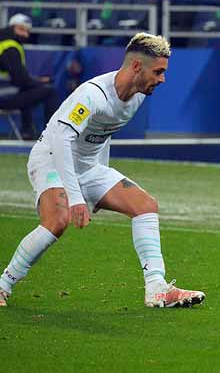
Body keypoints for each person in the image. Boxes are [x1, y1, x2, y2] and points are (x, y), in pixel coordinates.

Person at [0, 33, 205, 308]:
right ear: (136, 66)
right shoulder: (92, 95)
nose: (162, 79)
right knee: (58, 220)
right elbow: (61, 141)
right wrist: (76, 198)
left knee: (146, 206)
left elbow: (103, 134)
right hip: (51, 160)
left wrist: (99, 182)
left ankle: (157, 288)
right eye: (158, 72)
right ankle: (3, 285)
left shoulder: (136, 97)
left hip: (89, 165)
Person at [0, 13, 60, 140]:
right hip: (3, 95)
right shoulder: (10, 47)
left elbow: (18, 77)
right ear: (12, 27)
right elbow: (20, 79)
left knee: (29, 90)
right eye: (21, 29)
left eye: (27, 31)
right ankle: (52, 136)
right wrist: (39, 83)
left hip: (4, 90)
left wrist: (35, 81)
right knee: (50, 92)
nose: (25, 34)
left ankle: (27, 131)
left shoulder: (4, 43)